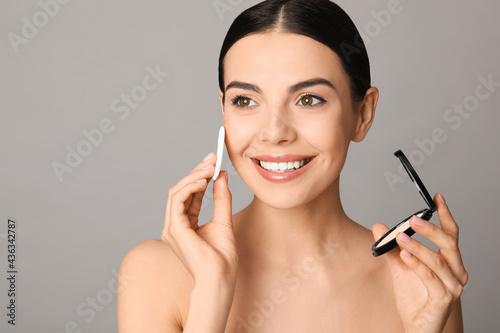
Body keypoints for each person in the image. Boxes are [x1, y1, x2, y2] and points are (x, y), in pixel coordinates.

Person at [117, 0, 468, 332]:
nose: (275, 133)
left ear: (363, 114)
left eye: (309, 99)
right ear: (223, 110)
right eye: (245, 101)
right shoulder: (155, 272)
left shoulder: (422, 284)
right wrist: (211, 289)